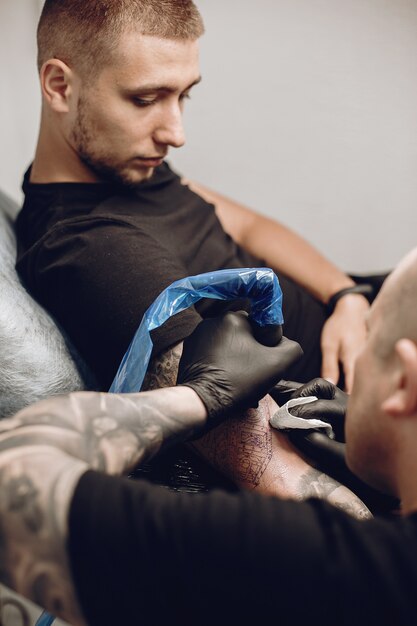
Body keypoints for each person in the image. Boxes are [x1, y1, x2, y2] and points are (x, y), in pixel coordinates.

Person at [15, 0, 374, 495]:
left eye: (184, 96)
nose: (176, 133)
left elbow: (248, 225)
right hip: (366, 406)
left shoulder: (132, 163)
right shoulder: (86, 247)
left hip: (359, 321)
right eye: (145, 99)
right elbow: (281, 478)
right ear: (59, 86)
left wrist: (346, 297)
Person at [1, 246, 417, 626]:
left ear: (405, 385)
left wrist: (199, 397)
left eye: (369, 341)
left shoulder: (319, 563)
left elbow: (11, 476)